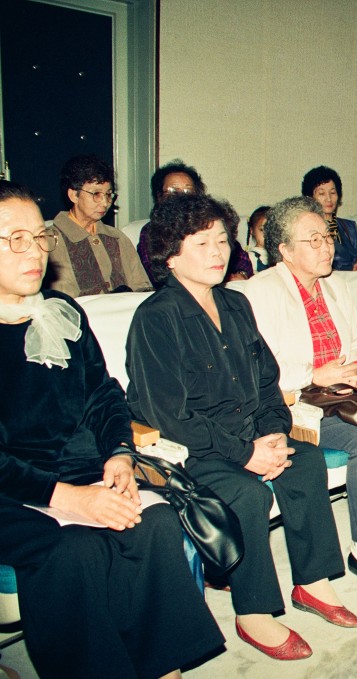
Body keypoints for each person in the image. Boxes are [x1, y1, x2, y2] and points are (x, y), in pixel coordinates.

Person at [0, 181, 224, 678]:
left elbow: (103, 394)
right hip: (13, 491)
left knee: (158, 521)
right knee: (75, 550)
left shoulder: (63, 310)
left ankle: (164, 665)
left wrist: (119, 454)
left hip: (81, 467)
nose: (34, 251)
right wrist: (70, 499)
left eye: (39, 237)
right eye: (15, 238)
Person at [127, 193, 357, 661]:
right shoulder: (156, 318)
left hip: (251, 433)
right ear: (171, 255)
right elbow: (169, 415)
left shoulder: (235, 304)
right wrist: (246, 453)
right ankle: (252, 611)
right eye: (202, 243)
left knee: (305, 461)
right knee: (247, 492)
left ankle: (312, 582)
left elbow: (268, 380)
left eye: (221, 240)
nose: (218, 252)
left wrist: (274, 432)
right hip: (190, 448)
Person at [240, 195, 357, 583]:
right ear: (284, 251)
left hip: (346, 393)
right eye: (313, 240)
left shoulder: (335, 286)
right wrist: (317, 373)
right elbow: (258, 370)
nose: (327, 245)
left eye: (327, 237)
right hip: (297, 402)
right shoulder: (258, 293)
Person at [46, 155, 151, 297]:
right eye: (96, 194)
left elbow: (142, 287)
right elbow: (61, 298)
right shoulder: (51, 241)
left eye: (108, 195)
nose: (104, 203)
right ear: (74, 196)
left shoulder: (117, 238)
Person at [137, 160, 253, 285]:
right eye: (172, 191)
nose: (181, 196)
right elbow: (157, 275)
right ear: (159, 196)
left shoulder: (210, 225)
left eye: (188, 191)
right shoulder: (152, 231)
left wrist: (241, 274)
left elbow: (242, 261)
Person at [301, 165, 357, 272]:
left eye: (332, 193)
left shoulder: (348, 226)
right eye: (321, 193)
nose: (329, 199)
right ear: (310, 198)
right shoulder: (305, 228)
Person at [246, 205, 271, 272]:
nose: (267, 234)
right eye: (262, 229)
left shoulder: (280, 257)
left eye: (271, 229)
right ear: (252, 231)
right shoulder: (249, 257)